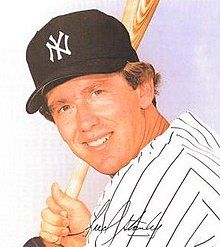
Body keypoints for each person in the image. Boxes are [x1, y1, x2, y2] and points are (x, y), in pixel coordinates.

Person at [24, 9, 220, 247]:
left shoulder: (190, 193)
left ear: (143, 88)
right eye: (64, 107)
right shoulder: (173, 158)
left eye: (97, 92)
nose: (85, 123)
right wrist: (92, 239)